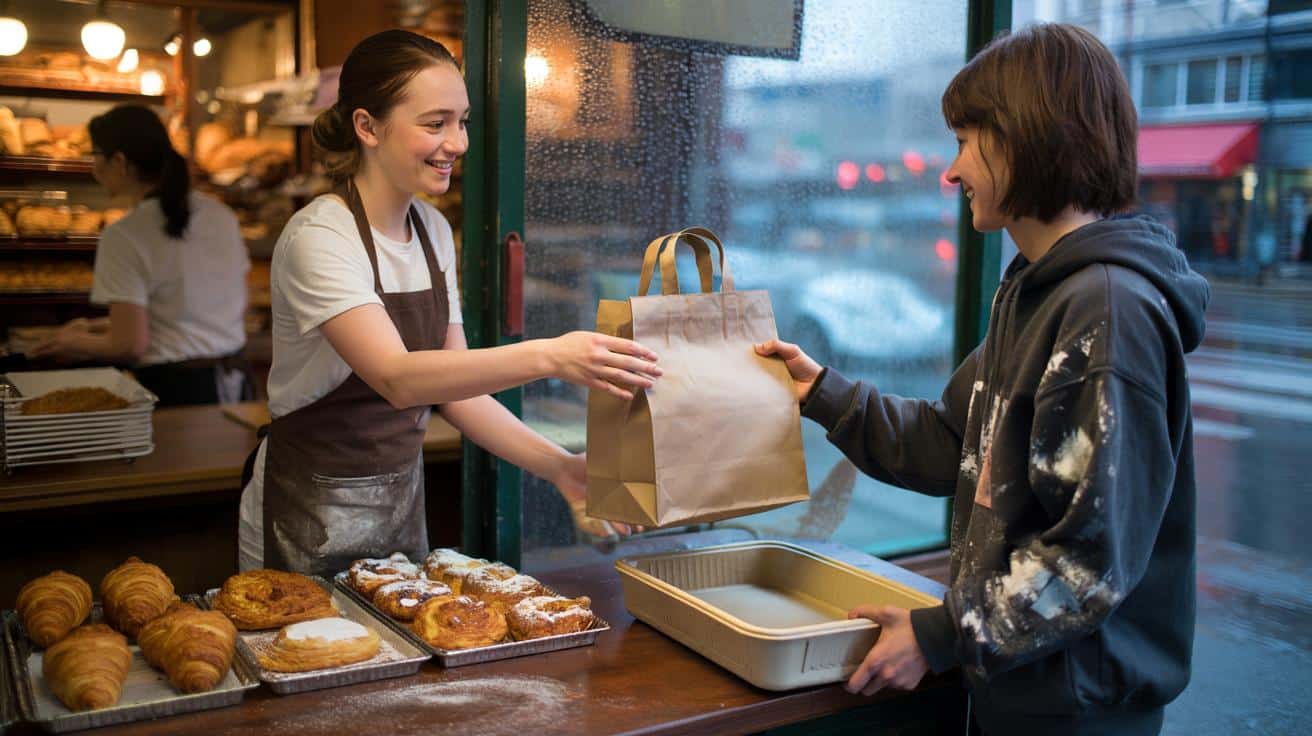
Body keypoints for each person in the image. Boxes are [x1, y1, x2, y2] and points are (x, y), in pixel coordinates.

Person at [757, 23, 1208, 735]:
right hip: (1022, 689)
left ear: (1028, 139)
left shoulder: (1107, 309)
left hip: (1075, 714)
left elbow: (1087, 562)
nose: (952, 170)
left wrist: (939, 636)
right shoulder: (1038, 290)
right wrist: (822, 394)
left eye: (967, 141)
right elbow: (952, 444)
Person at [237, 30, 660, 576]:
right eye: (435, 124)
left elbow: (458, 396)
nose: (457, 143)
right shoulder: (321, 237)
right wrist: (552, 356)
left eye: (462, 122)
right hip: (303, 508)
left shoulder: (432, 230)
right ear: (367, 127)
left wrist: (560, 468)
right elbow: (397, 378)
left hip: (398, 508)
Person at [31, 105, 251, 406]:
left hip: (176, 392)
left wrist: (71, 341)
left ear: (119, 161)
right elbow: (199, 309)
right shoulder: (221, 216)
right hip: (235, 383)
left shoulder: (123, 236)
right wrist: (96, 326)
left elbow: (129, 345)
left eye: (95, 155)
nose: (92, 167)